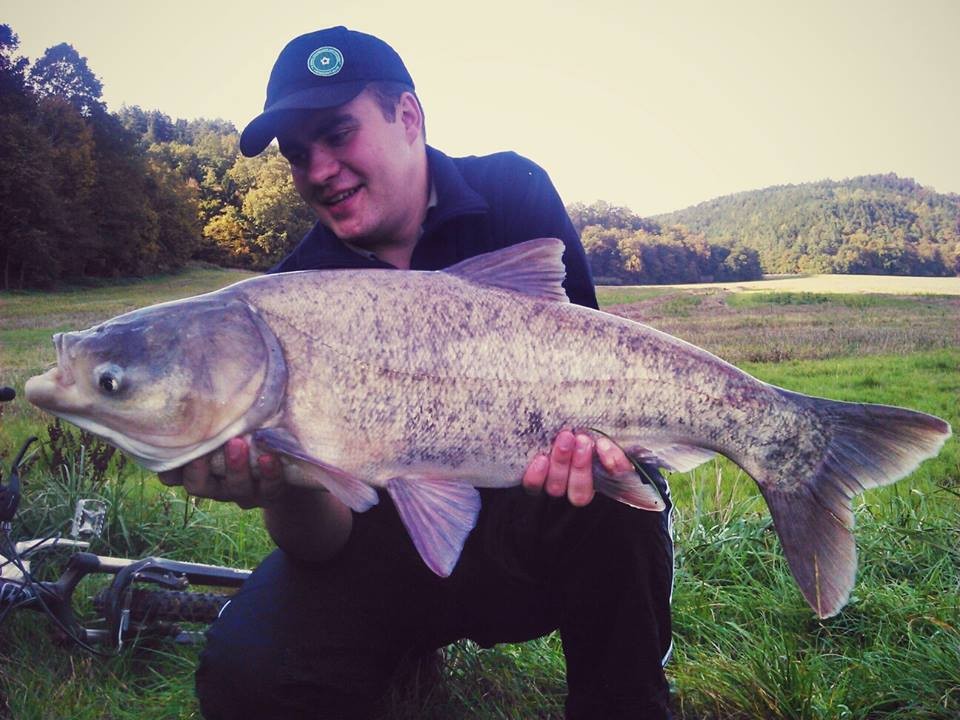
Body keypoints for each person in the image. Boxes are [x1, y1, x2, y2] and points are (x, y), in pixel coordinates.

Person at [159, 26, 674, 719]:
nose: (318, 170)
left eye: (337, 134)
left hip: (531, 519)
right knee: (244, 681)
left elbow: (593, 376)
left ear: (407, 116)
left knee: (612, 498)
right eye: (298, 154)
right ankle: (399, 653)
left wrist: (594, 455)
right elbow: (322, 543)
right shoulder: (293, 294)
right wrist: (277, 486)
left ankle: (623, 702)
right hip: (384, 547)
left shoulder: (512, 191)